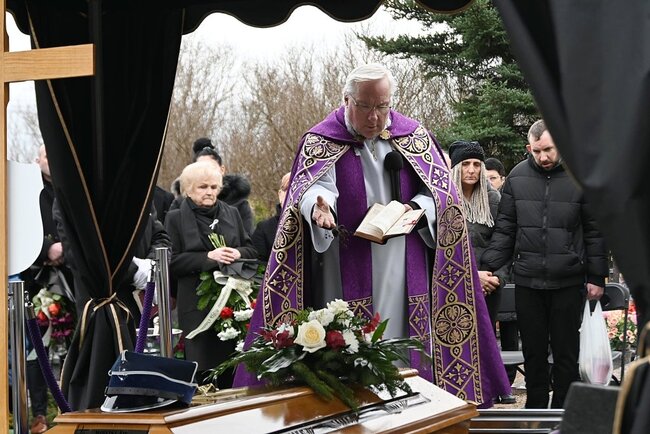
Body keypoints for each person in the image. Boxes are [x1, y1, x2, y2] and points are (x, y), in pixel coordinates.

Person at [236, 63, 510, 407]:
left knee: (405, 342)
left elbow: (443, 195)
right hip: (345, 260)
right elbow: (312, 189)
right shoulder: (321, 140)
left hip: (404, 261)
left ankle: (415, 408)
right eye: (365, 106)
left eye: (383, 106)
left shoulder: (413, 137)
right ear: (346, 100)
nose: (375, 117)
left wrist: (418, 208)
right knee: (350, 342)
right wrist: (319, 209)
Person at [482, 120, 608, 409]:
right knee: (534, 351)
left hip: (568, 280)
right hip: (528, 280)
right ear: (529, 148)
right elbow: (505, 229)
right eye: (536, 151)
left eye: (548, 149)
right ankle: (536, 408)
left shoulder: (580, 177)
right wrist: (489, 266)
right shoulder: (517, 177)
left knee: (566, 353)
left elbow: (594, 231)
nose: (543, 157)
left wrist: (596, 277)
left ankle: (563, 409)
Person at [165, 160, 257, 388]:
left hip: (233, 304)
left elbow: (251, 250)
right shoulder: (175, 218)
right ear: (188, 189)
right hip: (197, 305)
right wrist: (209, 257)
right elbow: (172, 262)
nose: (209, 192)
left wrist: (237, 252)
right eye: (203, 187)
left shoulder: (232, 213)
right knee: (203, 368)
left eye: (214, 187)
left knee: (233, 364)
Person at [448, 140, 516, 404]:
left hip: (490, 283)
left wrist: (498, 276)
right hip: (455, 281)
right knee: (459, 337)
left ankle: (491, 389)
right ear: (456, 167)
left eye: (477, 164)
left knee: (486, 337)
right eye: (466, 164)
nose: (472, 170)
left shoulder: (493, 199)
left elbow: (506, 240)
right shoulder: (445, 199)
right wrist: (471, 275)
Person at [20, 145, 74, 434]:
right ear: (37, 159)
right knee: (37, 348)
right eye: (47, 156)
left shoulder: (72, 187)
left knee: (72, 343)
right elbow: (17, 228)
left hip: (72, 276)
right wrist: (46, 249)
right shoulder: (27, 190)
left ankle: (72, 404)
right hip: (37, 279)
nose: (52, 161)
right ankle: (39, 413)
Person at [170, 139, 255, 236]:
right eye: (200, 168)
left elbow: (246, 238)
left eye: (211, 167)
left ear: (222, 169)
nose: (207, 173)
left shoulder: (239, 204)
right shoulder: (180, 204)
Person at [251, 172, 290, 262]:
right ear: (280, 194)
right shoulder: (264, 229)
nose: (291, 194)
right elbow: (258, 265)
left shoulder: (313, 227)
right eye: (287, 189)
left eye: (296, 188)